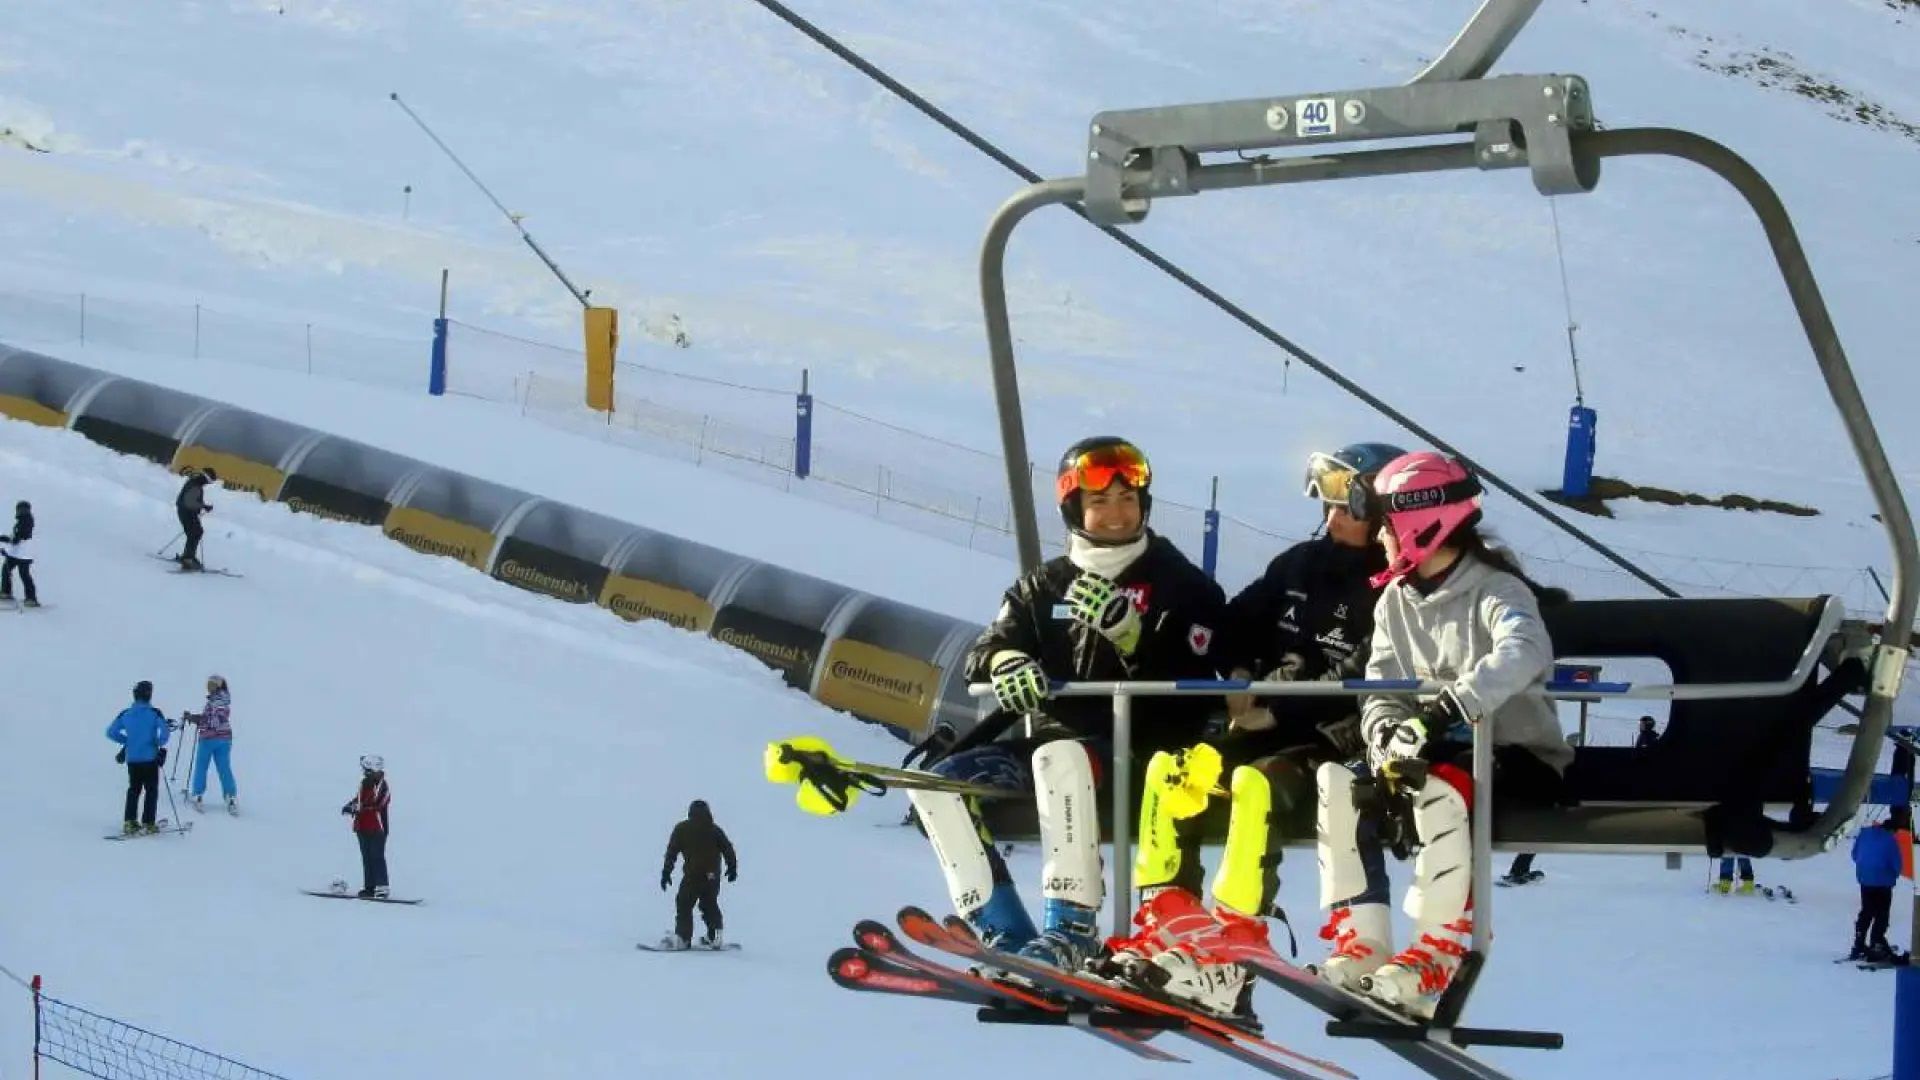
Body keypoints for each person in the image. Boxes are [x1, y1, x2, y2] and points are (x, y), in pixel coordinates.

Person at [1101, 443, 1403, 1020]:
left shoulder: (1391, 583)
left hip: (1332, 737)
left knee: (1255, 786)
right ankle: (1170, 926)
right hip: (1260, 725)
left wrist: (1281, 711)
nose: (1335, 518)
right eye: (1330, 505)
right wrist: (1238, 672)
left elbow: (1371, 668)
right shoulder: (1299, 565)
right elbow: (1235, 622)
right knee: (1172, 773)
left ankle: (1232, 955)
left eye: (1351, 509)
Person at [910, 436, 1226, 976]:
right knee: (936, 785)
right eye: (1100, 503)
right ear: (1075, 509)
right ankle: (1003, 930)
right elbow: (984, 651)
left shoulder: (1180, 582)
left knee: (1059, 758)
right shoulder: (1046, 585)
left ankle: (1071, 928)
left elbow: (1200, 678)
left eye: (1128, 500)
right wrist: (1006, 661)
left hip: (1147, 748)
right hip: (1059, 743)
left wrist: (1134, 638)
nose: (1115, 515)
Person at [1315, 451, 1574, 1019]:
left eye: (1385, 524)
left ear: (1418, 522)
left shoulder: (1497, 591)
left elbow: (1525, 649)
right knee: (1340, 781)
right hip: (1436, 756)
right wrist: (1385, 732)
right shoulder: (1396, 602)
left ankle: (1440, 949)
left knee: (1440, 787)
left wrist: (1450, 705)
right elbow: (1382, 683)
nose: (1379, 537)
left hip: (1517, 756)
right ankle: (1363, 939)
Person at [658, 799, 739, 950]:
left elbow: (672, 852)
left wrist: (666, 873)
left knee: (684, 903)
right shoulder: (714, 830)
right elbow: (728, 848)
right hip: (712, 876)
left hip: (693, 874)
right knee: (709, 903)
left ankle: (682, 938)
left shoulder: (682, 829)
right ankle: (715, 936)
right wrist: (732, 868)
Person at [106, 681, 172, 834]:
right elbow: (165, 733)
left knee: (134, 789)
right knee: (151, 790)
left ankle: (129, 822)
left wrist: (127, 741)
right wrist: (157, 742)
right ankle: (148, 823)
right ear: (149, 695)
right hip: (150, 758)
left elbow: (111, 732)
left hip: (133, 759)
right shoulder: (154, 713)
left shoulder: (126, 714)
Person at [1851, 806, 1908, 964]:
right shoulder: (1891, 841)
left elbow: (1854, 855)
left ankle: (1859, 943)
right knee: (1881, 914)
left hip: (1864, 879)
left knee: (1867, 911)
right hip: (1882, 882)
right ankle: (1877, 943)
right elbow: (1897, 866)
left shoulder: (1865, 833)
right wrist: (1891, 876)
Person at [183, 675, 236, 813]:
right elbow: (212, 718)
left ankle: (198, 794)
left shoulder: (217, 702)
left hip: (209, 739)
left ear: (217, 686)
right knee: (224, 767)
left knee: (201, 766)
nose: (208, 687)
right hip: (224, 739)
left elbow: (213, 721)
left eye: (211, 685)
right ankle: (230, 796)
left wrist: (196, 719)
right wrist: (196, 717)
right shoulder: (223, 700)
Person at [341, 755, 391, 898]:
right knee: (367, 857)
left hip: (378, 827)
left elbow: (380, 803)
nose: (364, 772)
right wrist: (350, 806)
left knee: (377, 856)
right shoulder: (364, 783)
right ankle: (369, 887)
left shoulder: (383, 785)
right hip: (362, 826)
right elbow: (359, 799)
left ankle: (382, 887)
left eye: (367, 769)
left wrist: (359, 807)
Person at [175, 468, 217, 571]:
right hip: (187, 512)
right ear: (206, 478)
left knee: (194, 533)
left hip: (185, 511)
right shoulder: (196, 485)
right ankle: (188, 559)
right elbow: (190, 502)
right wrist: (203, 506)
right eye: (209, 482)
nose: (208, 484)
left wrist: (202, 506)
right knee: (195, 533)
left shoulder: (195, 482)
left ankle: (188, 556)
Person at [1, 499, 38, 608]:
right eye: (20, 509)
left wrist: (8, 543)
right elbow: (14, 538)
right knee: (6, 570)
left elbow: (18, 538)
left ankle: (31, 598)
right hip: (16, 553)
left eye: (23, 509)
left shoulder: (27, 522)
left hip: (24, 555)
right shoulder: (21, 521)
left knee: (24, 574)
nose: (21, 511)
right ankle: (5, 592)